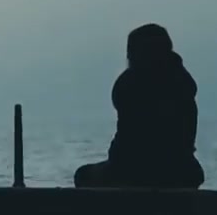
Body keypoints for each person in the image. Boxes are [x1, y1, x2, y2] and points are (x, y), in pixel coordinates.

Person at [74, 23, 204, 189]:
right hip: (184, 170)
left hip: (138, 170)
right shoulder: (183, 83)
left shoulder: (131, 85)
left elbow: (128, 143)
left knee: (83, 175)